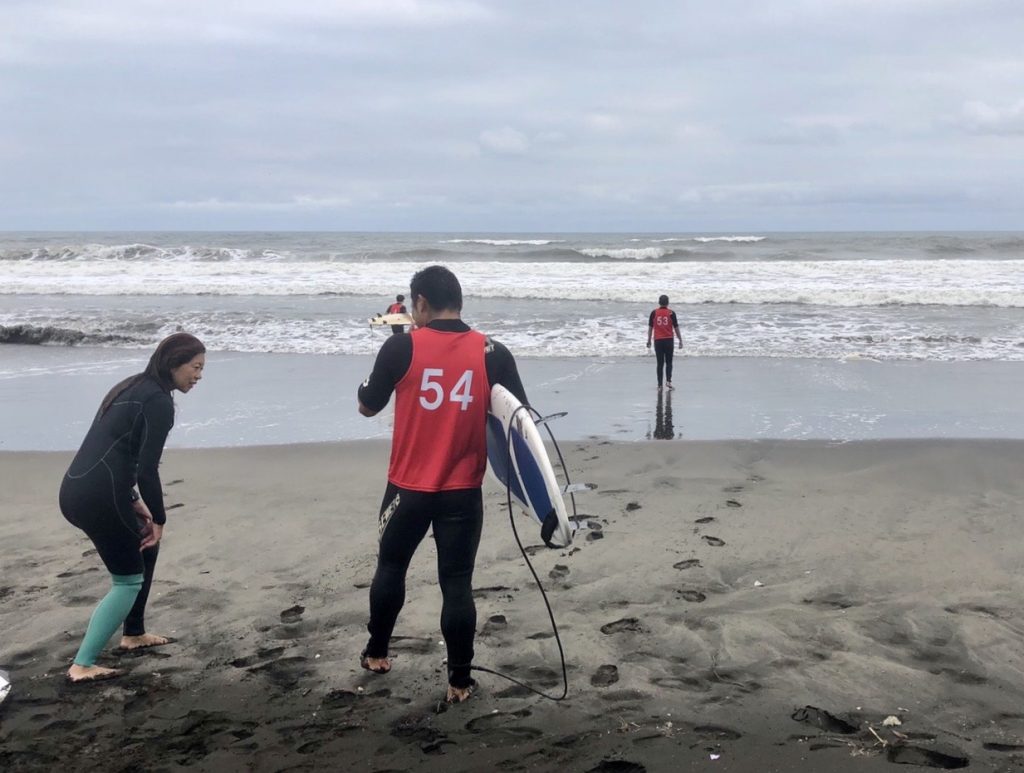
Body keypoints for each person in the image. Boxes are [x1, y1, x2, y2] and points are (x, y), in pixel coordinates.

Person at [357, 265, 527, 704]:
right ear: (459, 302)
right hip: (463, 492)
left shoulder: (401, 347)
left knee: (391, 567)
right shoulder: (493, 353)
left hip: (407, 489)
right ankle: (459, 680)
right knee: (456, 582)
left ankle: (377, 653)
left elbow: (367, 407)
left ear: (420, 303)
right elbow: (519, 422)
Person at [59, 333, 206, 683]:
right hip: (100, 497)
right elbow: (146, 469)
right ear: (174, 364)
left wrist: (133, 500)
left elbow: (113, 452)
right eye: (195, 367)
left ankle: (134, 633)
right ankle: (83, 665)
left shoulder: (132, 386)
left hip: (79, 489)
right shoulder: (158, 402)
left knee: (145, 547)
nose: (199, 376)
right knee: (127, 581)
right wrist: (159, 518)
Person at [646, 294, 682, 390]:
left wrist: (649, 340)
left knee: (660, 363)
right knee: (669, 362)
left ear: (659, 302)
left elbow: (650, 328)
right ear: (668, 303)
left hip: (658, 341)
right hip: (669, 340)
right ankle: (668, 381)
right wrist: (680, 339)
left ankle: (660, 385)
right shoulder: (671, 313)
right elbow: (676, 327)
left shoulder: (654, 313)